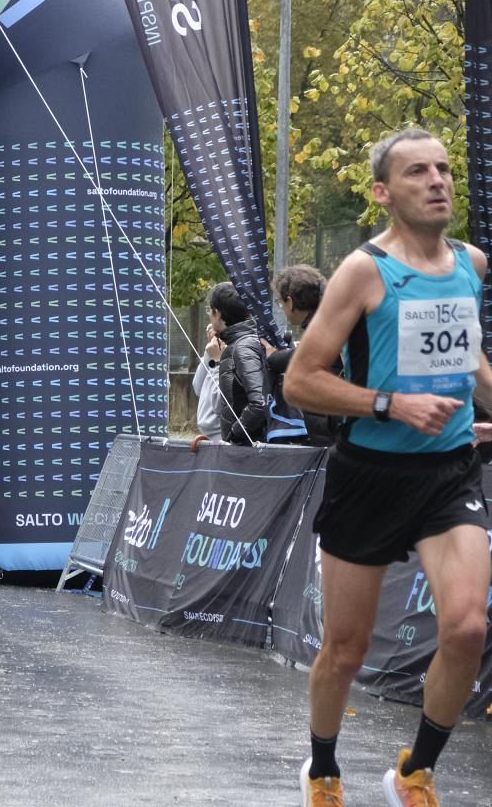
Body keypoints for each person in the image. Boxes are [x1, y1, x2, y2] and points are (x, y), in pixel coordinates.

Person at [284, 129, 492, 807]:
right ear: (382, 192)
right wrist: (390, 403)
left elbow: (467, 358)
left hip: (449, 474)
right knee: (346, 649)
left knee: (467, 628)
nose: (437, 181)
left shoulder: (471, 264)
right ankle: (322, 769)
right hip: (369, 475)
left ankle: (414, 773)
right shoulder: (363, 271)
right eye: (417, 172)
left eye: (444, 169)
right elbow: (301, 381)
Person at [266, 264, 335, 446]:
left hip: (333, 431)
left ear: (290, 301)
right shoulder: (329, 318)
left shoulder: (325, 325)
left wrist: (273, 356)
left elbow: (306, 356)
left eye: (281, 302)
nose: (282, 308)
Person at [208, 282, 268, 445]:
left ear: (217, 313)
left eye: (210, 310)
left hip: (249, 449)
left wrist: (234, 435)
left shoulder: (243, 347)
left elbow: (259, 404)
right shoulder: (241, 343)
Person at [192, 330, 225, 442]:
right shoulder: (212, 355)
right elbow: (197, 388)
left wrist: (217, 362)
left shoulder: (235, 354)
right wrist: (209, 353)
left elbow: (218, 402)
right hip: (206, 431)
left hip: (221, 431)